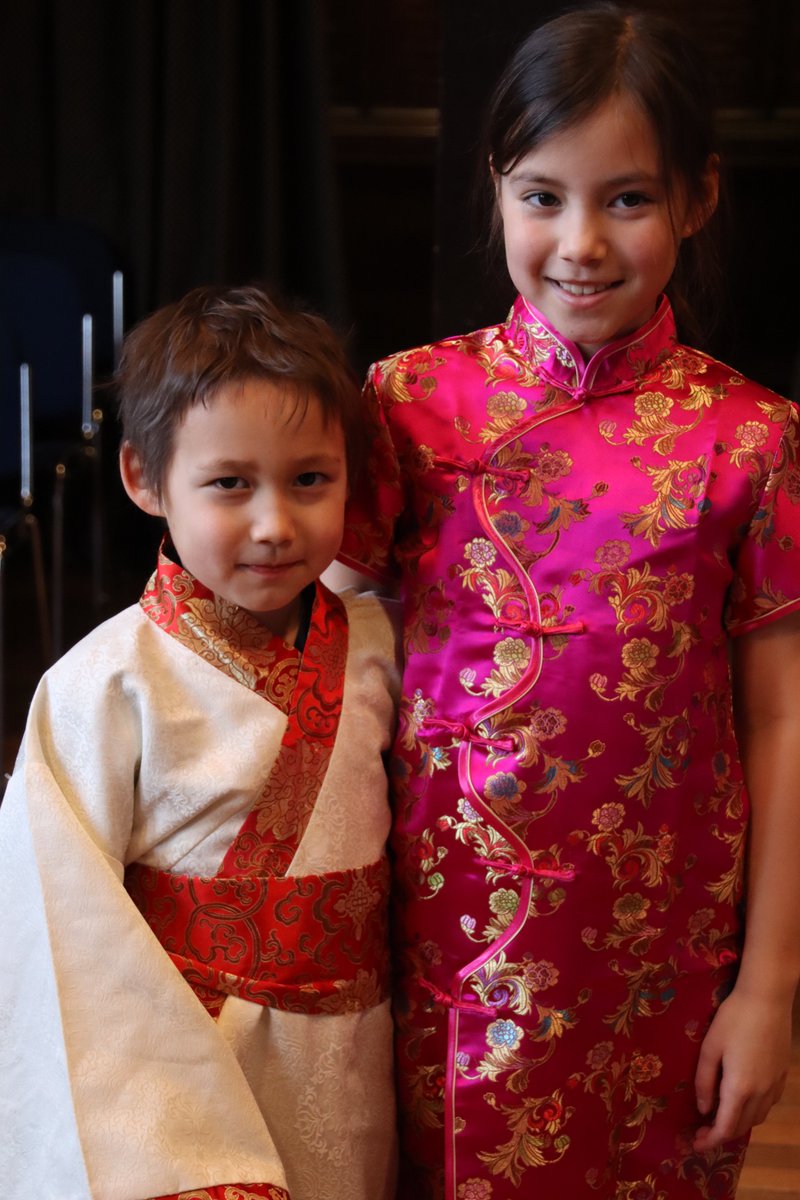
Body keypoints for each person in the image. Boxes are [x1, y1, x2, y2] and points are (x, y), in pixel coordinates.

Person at [329, 5, 800, 1197]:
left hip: (657, 970)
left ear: (695, 198)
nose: (578, 241)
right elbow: (317, 657)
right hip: (430, 956)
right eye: (540, 196)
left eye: (625, 199)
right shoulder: (403, 403)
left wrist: (767, 991)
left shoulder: (751, 439)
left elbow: (779, 723)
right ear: (495, 190)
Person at [0, 284, 400, 1200]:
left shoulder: (378, 646)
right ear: (145, 479)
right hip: (185, 1049)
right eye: (230, 483)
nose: (274, 524)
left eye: (310, 480)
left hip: (351, 1046)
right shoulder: (101, 682)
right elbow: (59, 916)